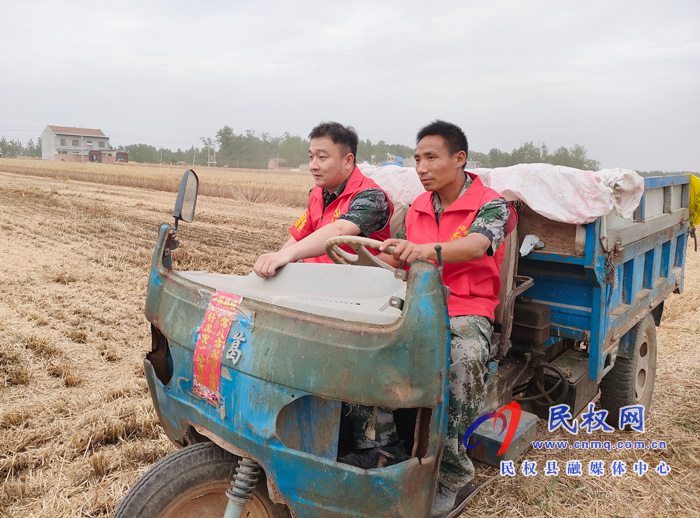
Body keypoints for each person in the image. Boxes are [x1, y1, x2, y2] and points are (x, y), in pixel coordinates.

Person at [378, 120, 516, 518]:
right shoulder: (415, 208)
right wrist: (360, 254)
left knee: (461, 361)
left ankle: (452, 475)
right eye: (417, 159)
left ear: (459, 159)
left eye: (431, 158)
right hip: (417, 301)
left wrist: (421, 251)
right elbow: (393, 254)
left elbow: (476, 246)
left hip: (466, 307)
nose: (421, 167)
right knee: (367, 344)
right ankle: (383, 445)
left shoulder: (491, 205)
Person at [253, 121, 393, 278]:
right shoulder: (317, 193)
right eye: (311, 157)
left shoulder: (371, 197)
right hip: (314, 277)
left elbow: (340, 230)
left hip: (352, 282)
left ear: (348, 160)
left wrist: (287, 255)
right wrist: (277, 259)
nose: (313, 165)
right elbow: (301, 235)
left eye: (322, 157)